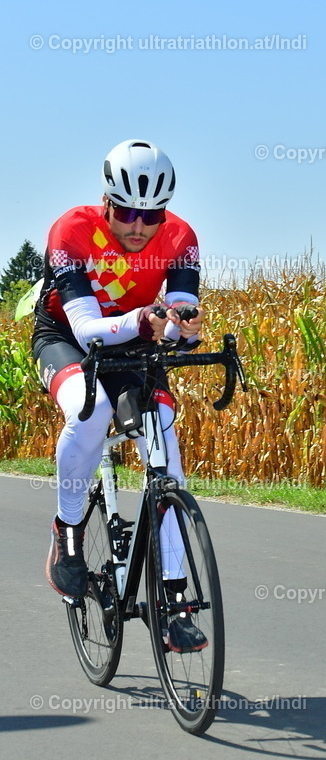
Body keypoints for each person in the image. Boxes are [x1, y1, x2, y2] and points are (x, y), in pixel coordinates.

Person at [32, 139, 206, 651]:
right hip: (64, 336)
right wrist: (143, 321)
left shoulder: (180, 239)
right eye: (126, 211)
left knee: (165, 446)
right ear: (107, 202)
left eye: (151, 215)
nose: (138, 225)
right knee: (93, 410)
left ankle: (174, 601)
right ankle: (67, 534)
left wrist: (184, 329)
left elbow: (178, 321)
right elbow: (86, 329)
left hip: (134, 342)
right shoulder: (72, 232)